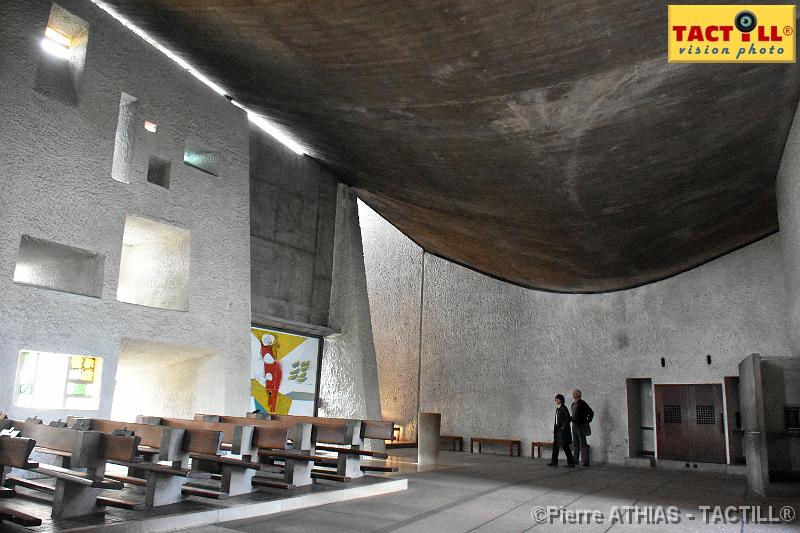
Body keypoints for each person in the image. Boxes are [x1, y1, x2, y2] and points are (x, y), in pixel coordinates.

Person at [548, 394, 575, 467]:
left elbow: (568, 419)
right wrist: (555, 429)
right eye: (555, 399)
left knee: (565, 446)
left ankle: (571, 463)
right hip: (557, 430)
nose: (556, 400)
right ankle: (554, 462)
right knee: (555, 445)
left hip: (562, 431)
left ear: (561, 400)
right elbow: (557, 420)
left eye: (557, 399)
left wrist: (563, 427)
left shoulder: (563, 408)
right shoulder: (558, 408)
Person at [570, 389, 594, 467]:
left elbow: (591, 412)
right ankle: (575, 460)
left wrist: (587, 421)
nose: (573, 395)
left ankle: (586, 461)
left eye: (574, 393)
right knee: (575, 443)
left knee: (583, 443)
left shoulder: (582, 403)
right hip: (574, 425)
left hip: (580, 425)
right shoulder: (573, 404)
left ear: (578, 395)